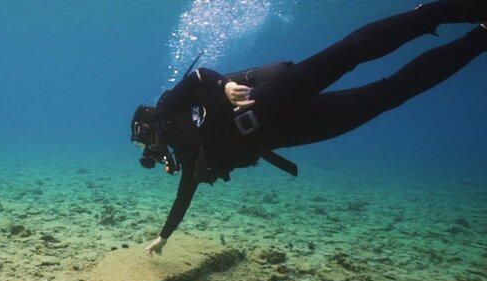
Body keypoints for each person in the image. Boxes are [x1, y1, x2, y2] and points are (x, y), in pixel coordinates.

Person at [130, 0, 487, 256]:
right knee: (388, 95)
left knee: (346, 55)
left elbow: (197, 77)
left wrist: (223, 85)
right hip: (290, 131)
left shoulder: (167, 105)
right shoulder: (191, 154)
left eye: (144, 139)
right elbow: (184, 198)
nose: (150, 148)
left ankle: (442, 12)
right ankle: (480, 39)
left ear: (148, 124)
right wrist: (165, 236)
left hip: (269, 98)